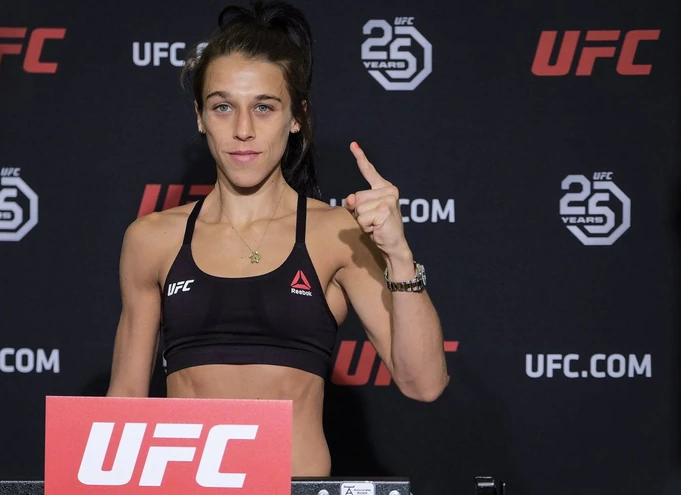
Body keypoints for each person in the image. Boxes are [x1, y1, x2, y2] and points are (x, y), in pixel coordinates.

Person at [107, 0, 448, 476]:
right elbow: (125, 400)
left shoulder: (337, 234)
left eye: (264, 108)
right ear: (200, 116)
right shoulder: (152, 239)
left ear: (296, 116)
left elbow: (424, 383)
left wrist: (399, 254)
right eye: (223, 107)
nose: (243, 130)